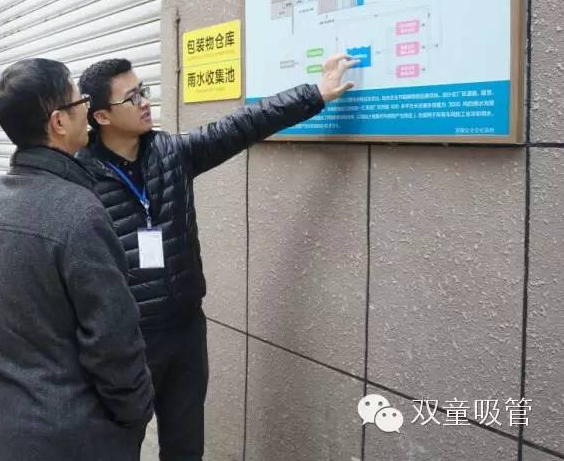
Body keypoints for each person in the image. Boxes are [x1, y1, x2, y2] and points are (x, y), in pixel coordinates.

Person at [76, 54, 356, 460]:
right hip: (126, 340)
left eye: (143, 91)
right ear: (101, 116)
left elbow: (243, 125)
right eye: (131, 97)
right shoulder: (80, 177)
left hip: (185, 330)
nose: (144, 102)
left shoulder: (172, 153)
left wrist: (315, 94)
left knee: (186, 446)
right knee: (117, 446)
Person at [0, 58, 154, 461]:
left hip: (2, 430)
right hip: (75, 437)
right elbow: (112, 339)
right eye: (78, 100)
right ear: (58, 123)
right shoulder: (79, 213)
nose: (87, 107)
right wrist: (136, 414)